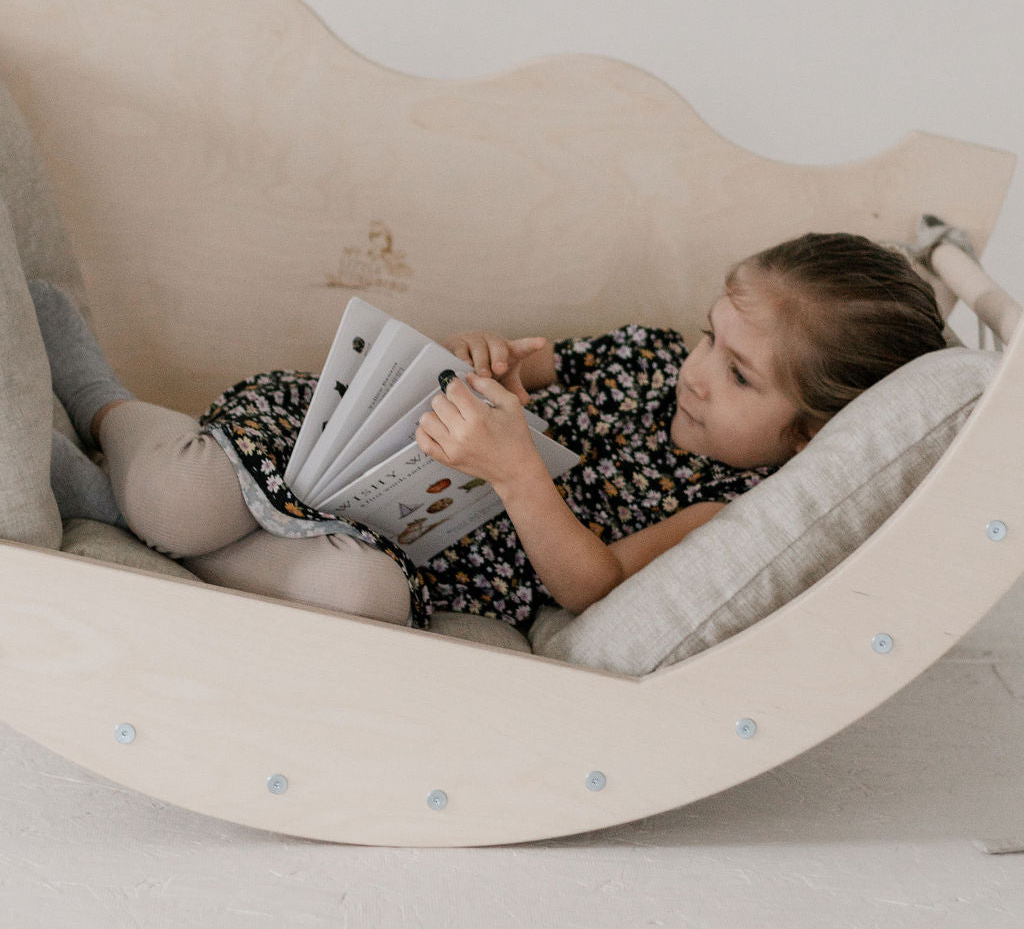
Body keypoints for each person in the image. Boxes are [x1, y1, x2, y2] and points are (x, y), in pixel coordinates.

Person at [29, 231, 946, 632]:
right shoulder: (649, 357)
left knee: (360, 605)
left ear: (810, 437)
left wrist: (517, 474)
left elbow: (594, 585)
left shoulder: (724, 508)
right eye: (712, 335)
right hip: (358, 447)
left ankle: (106, 493)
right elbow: (521, 367)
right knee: (188, 498)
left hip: (399, 548)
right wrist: (489, 363)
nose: (699, 373)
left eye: (740, 375)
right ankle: (101, 398)